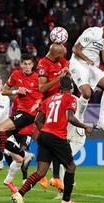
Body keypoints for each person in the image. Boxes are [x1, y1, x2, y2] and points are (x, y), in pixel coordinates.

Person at [11, 76, 93, 203]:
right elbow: (70, 118)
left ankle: (19, 194)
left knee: (40, 172)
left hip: (43, 135)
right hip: (58, 137)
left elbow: (37, 120)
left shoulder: (48, 100)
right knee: (71, 167)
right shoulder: (70, 99)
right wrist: (85, 126)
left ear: (59, 87)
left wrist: (45, 131)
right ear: (71, 87)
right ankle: (66, 200)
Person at [0, 54, 42, 170]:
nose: (27, 66)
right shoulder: (16, 75)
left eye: (29, 64)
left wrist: (39, 102)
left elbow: (45, 93)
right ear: (21, 64)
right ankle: (25, 155)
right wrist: (16, 91)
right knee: (1, 139)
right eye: (25, 64)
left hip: (29, 113)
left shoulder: (38, 78)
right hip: (20, 112)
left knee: (1, 128)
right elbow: (4, 90)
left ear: (33, 65)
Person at [69, 19, 104, 133]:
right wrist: (87, 59)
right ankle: (79, 118)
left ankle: (101, 121)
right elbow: (75, 49)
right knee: (87, 93)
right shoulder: (92, 32)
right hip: (78, 63)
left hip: (91, 66)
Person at [36, 43, 69, 190]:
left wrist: (67, 72)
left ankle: (55, 177)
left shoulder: (60, 61)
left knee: (54, 139)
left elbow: (67, 69)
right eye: (61, 55)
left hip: (58, 103)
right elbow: (42, 88)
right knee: (44, 139)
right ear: (56, 54)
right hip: (46, 104)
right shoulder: (43, 64)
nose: (62, 58)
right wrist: (58, 78)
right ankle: (42, 174)